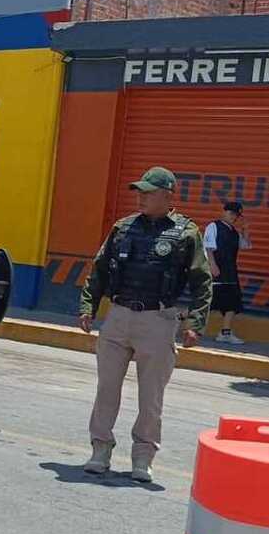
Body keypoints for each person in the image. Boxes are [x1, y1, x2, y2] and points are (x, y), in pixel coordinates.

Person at [77, 166, 212, 483]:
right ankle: (100, 449)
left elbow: (202, 282)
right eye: (139, 192)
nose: (141, 197)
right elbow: (99, 271)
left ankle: (143, 456)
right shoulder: (122, 228)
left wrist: (196, 323)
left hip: (158, 319)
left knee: (151, 397)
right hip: (119, 316)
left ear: (167, 196)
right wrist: (88, 306)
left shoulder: (186, 233)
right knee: (106, 389)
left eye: (148, 193)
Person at [203, 201, 252, 344]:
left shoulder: (234, 232)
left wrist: (245, 231)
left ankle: (225, 333)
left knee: (233, 303)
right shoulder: (214, 226)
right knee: (206, 302)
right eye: (230, 213)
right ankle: (178, 318)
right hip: (217, 272)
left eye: (235, 215)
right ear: (224, 212)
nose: (233, 217)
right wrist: (212, 265)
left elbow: (245, 245)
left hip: (230, 273)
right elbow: (208, 247)